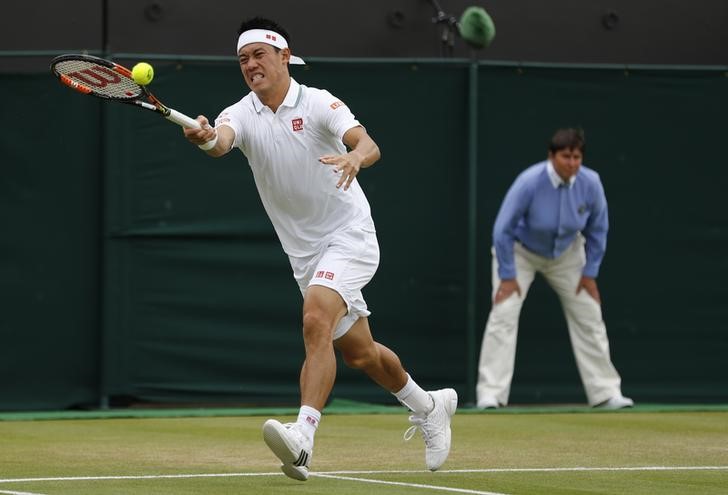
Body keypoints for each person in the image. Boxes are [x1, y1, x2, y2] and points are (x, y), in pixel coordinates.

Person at [183, 17, 457, 481]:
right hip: (304, 254)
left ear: (284, 56)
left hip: (350, 234)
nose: (251, 65)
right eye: (243, 59)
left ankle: (303, 438)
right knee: (361, 354)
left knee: (315, 319)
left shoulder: (319, 103)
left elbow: (366, 142)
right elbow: (221, 141)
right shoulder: (240, 112)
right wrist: (207, 137)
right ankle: (430, 406)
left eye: (259, 55)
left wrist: (354, 156)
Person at [476, 128, 633, 410]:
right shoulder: (529, 182)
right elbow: (502, 230)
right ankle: (490, 395)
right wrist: (508, 276)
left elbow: (599, 229)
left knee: (590, 314)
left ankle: (607, 393)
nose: (572, 163)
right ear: (552, 156)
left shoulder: (591, 183)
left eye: (577, 157)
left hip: (568, 255)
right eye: (565, 156)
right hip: (520, 252)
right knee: (504, 314)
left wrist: (590, 273)